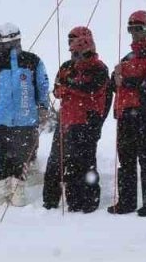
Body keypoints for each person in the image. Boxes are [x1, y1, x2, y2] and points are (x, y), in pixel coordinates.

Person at [0, 23, 50, 208]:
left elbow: (42, 86)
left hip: (26, 118)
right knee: (4, 155)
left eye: (0, 45)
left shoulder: (32, 61)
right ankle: (3, 189)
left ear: (13, 42)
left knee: (21, 156)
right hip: (2, 119)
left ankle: (18, 189)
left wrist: (42, 107)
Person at [43, 27, 112, 213]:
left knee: (86, 162)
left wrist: (69, 88)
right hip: (66, 120)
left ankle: (89, 201)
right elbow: (57, 89)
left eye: (75, 46)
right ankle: (61, 201)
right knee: (60, 161)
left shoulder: (98, 67)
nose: (74, 52)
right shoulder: (67, 66)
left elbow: (91, 89)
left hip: (86, 122)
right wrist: (67, 88)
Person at [109, 10, 146, 215]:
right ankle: (127, 201)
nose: (134, 34)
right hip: (125, 113)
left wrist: (126, 81)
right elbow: (115, 85)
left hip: (143, 112)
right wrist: (114, 79)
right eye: (130, 29)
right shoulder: (129, 56)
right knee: (126, 158)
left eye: (138, 29)